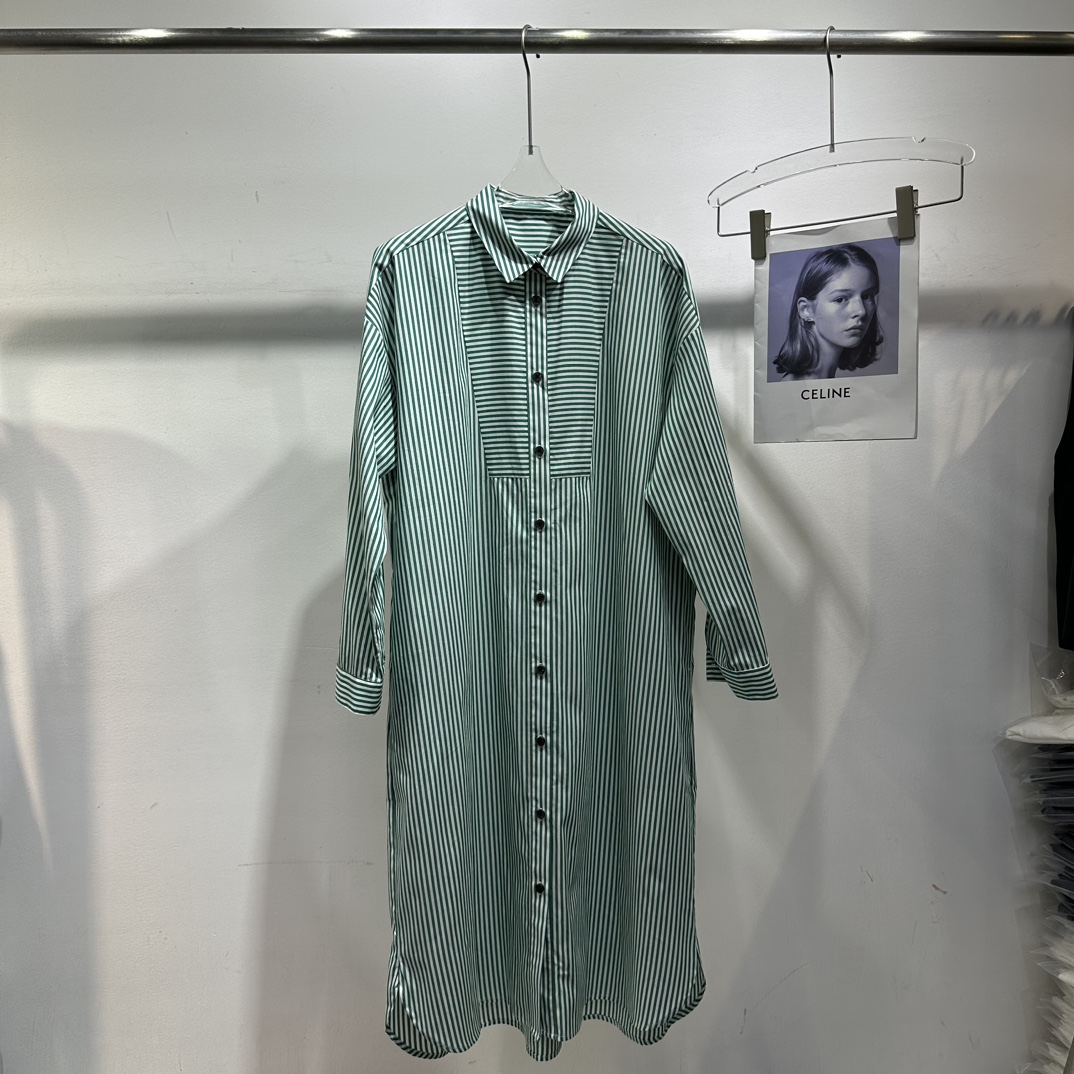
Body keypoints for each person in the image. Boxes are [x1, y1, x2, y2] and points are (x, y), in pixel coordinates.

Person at [773, 243, 884, 380]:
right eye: (840, 299)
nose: (861, 311)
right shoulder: (799, 386)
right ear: (806, 310)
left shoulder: (823, 381)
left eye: (867, 296)